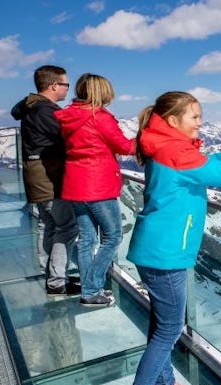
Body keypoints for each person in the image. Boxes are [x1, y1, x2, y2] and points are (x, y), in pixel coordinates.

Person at [126, 92, 221, 385]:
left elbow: (206, 164)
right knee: (170, 329)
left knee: (162, 324)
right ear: (173, 121)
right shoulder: (175, 152)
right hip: (166, 253)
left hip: (156, 248)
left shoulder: (167, 147)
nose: (201, 122)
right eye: (195, 117)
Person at [55, 73, 135, 307]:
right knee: (112, 236)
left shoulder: (69, 117)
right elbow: (125, 146)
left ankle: (89, 290)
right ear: (102, 93)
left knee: (87, 239)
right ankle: (91, 289)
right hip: (98, 185)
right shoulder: (99, 118)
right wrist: (151, 139)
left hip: (75, 184)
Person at [11, 65, 80, 296]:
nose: (67, 89)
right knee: (68, 227)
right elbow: (67, 139)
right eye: (65, 85)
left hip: (35, 174)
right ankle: (57, 280)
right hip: (48, 175)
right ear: (54, 86)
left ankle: (50, 274)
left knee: (49, 223)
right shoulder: (46, 111)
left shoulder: (31, 107)